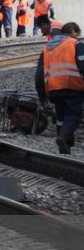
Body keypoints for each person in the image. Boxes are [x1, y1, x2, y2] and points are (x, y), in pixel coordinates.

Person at [36, 22, 84, 154]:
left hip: (53, 87)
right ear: (72, 31)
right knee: (74, 114)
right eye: (77, 33)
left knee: (61, 117)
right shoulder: (75, 43)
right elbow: (83, 64)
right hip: (71, 84)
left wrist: (42, 94)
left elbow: (40, 74)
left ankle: (65, 146)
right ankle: (63, 137)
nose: (78, 37)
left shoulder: (48, 48)